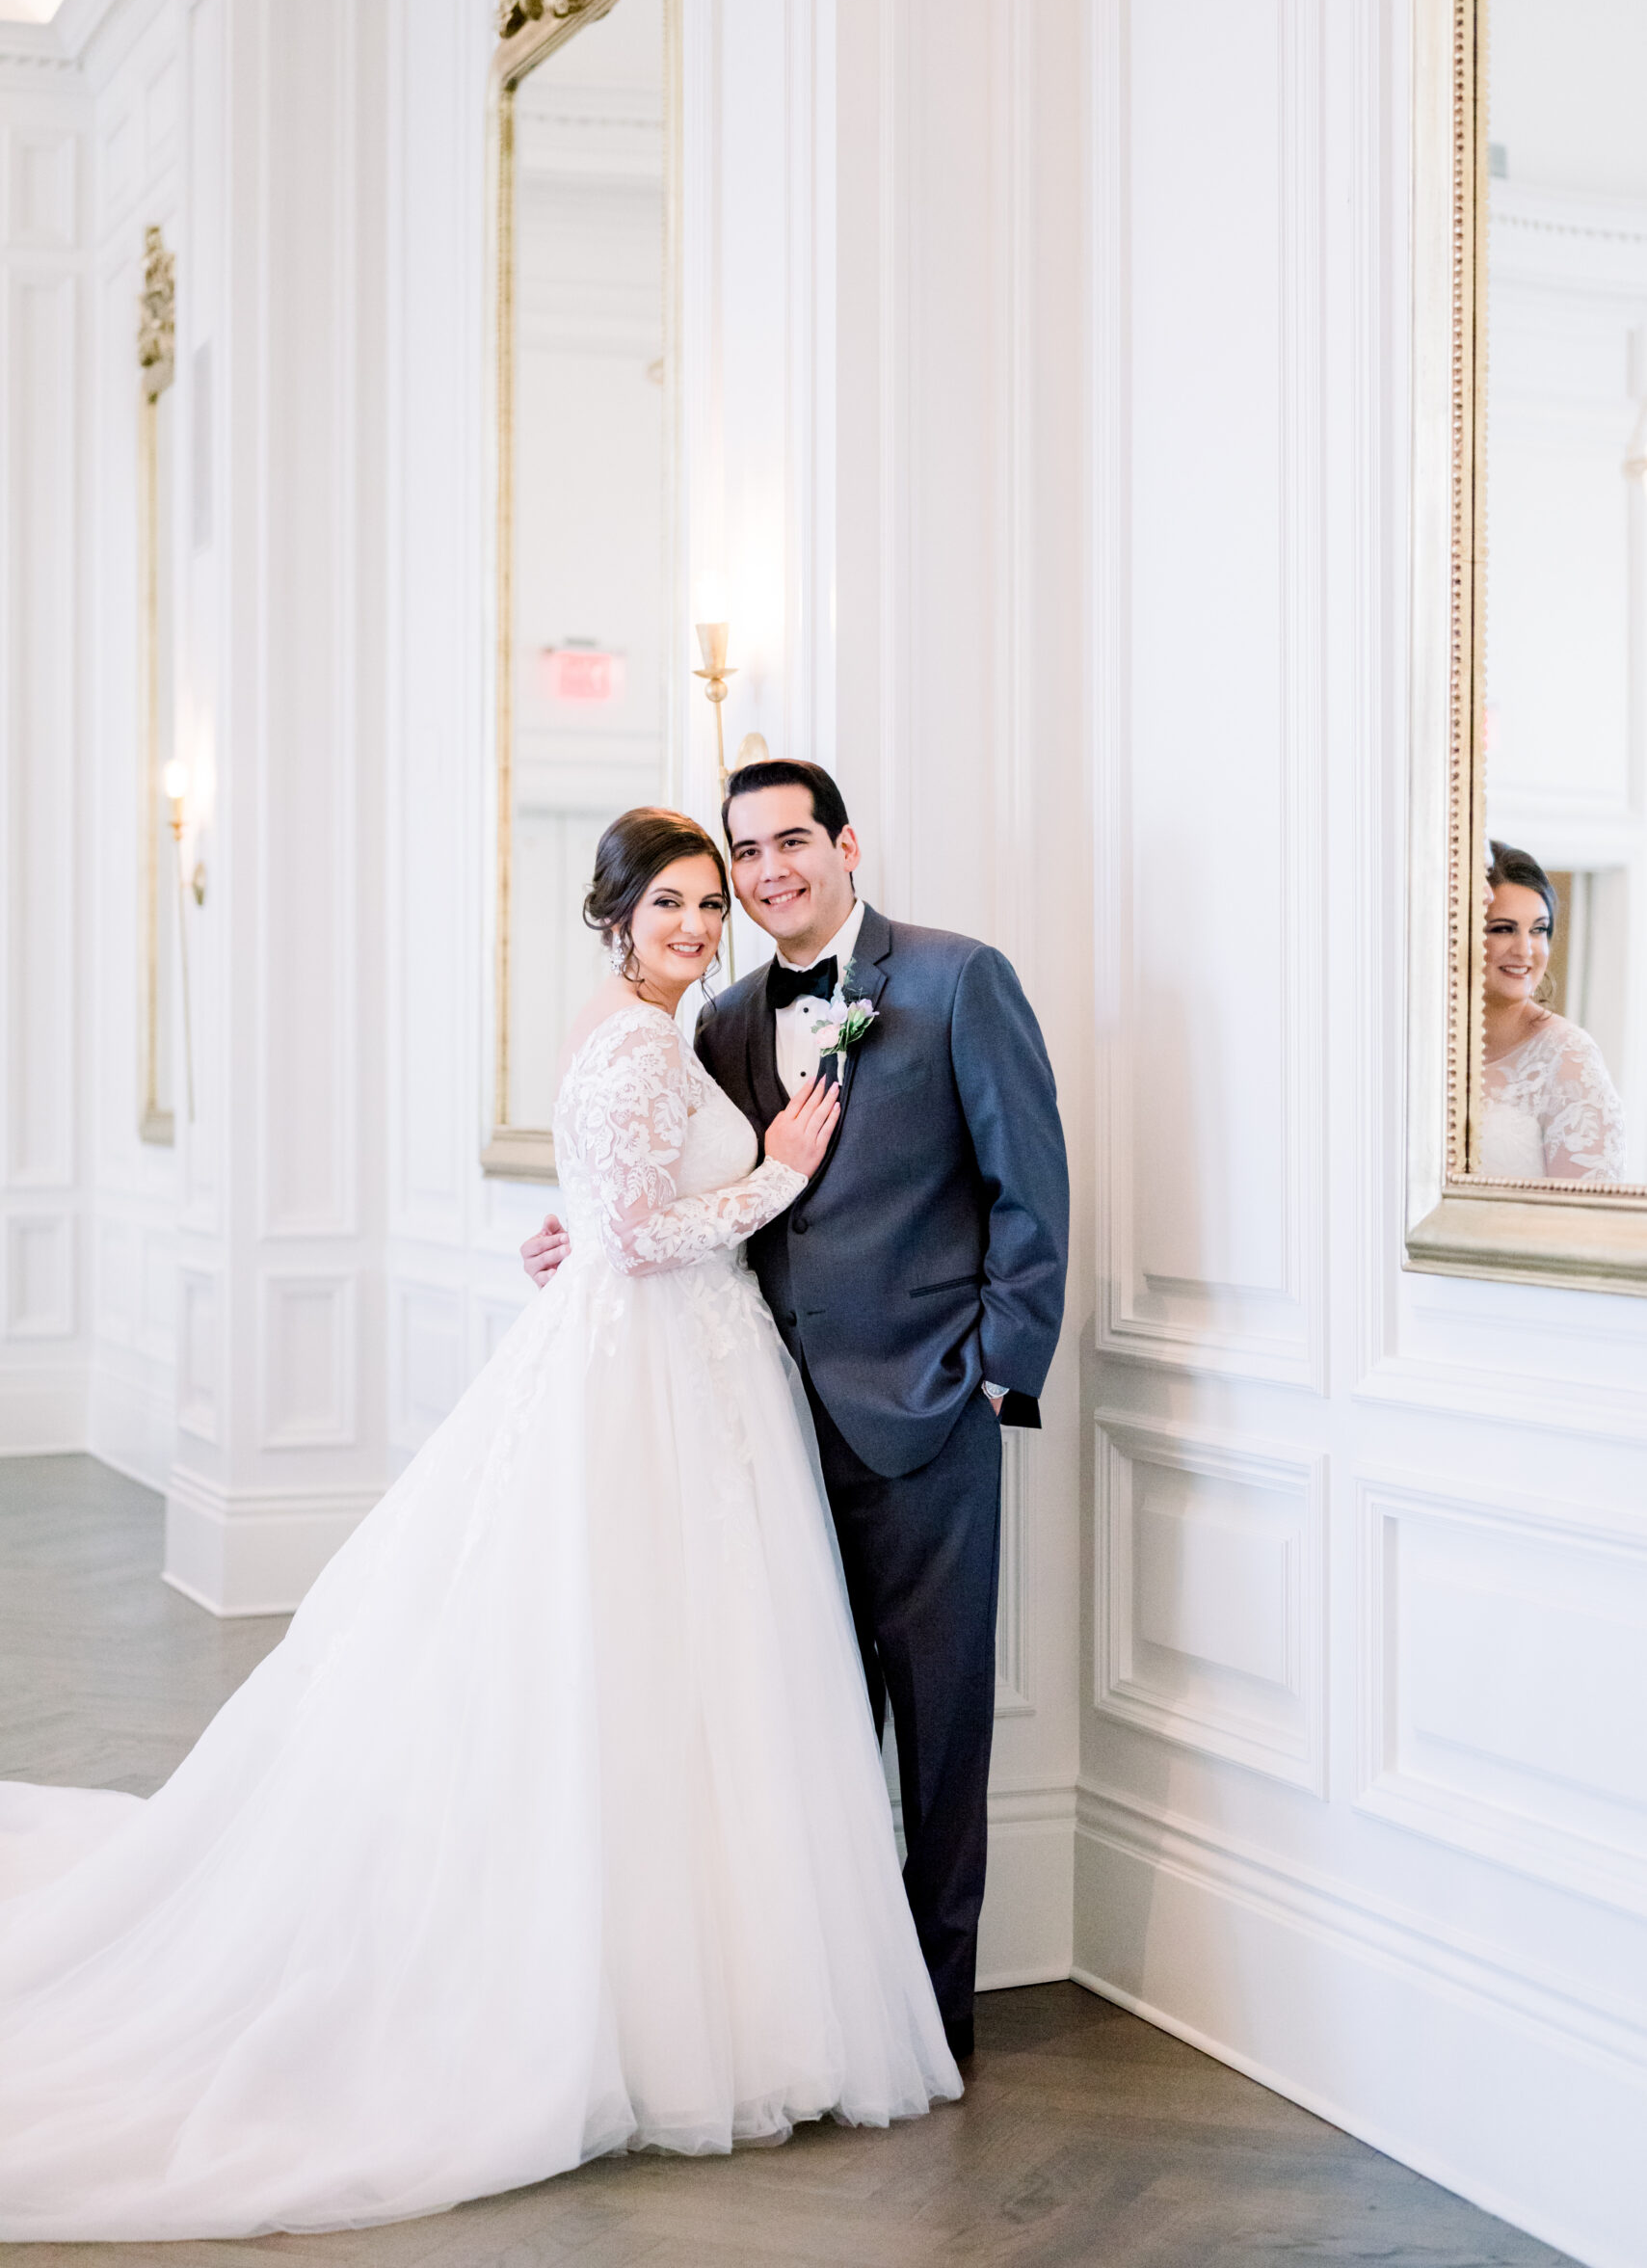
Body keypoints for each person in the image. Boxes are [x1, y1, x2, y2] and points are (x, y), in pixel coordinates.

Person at [0, 808, 960, 2242]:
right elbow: (643, 1233)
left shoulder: (643, 1035)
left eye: (711, 905)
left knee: (679, 1677)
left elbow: (612, 1213)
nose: (699, 926)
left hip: (671, 1365)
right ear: (617, 918)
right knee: (650, 1666)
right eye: (672, 907)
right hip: (660, 1376)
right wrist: (784, 1168)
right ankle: (641, 2001)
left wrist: (626, 1214)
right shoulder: (642, 1041)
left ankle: (690, 1984)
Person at [524, 760, 1069, 2061]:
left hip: (927, 1413)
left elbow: (1028, 1191)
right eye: (740, 858)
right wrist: (580, 1239)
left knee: (940, 1736)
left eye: (785, 847)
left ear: (845, 844)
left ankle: (928, 2021)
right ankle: (819, 2016)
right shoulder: (711, 1023)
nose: (763, 878)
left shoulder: (955, 980)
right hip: (753, 1431)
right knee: (796, 1731)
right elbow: (670, 1192)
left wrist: (994, 1372)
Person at [1480, 840, 1625, 1183]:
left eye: (1538, 930)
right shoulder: (1422, 1039)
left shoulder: (1567, 1055)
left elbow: (1586, 1216)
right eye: (1503, 929)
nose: (1525, 950)